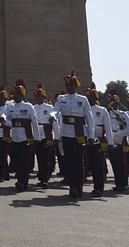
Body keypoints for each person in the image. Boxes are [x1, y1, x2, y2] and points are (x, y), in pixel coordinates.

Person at [52, 70, 94, 199]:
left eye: (71, 85)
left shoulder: (83, 99)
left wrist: (91, 135)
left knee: (78, 161)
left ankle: (76, 187)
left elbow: (89, 118)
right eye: (67, 85)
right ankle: (73, 183)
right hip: (66, 132)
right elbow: (55, 110)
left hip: (80, 132)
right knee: (68, 160)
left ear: (76, 86)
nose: (69, 87)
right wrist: (52, 116)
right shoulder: (61, 99)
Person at [3, 79, 39, 191]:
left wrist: (36, 138)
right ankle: (20, 176)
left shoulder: (28, 107)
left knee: (25, 160)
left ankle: (23, 182)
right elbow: (6, 116)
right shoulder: (10, 107)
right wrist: (3, 118)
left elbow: (34, 122)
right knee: (15, 159)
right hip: (15, 137)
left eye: (17, 94)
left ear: (22, 95)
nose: (15, 96)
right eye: (14, 94)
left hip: (26, 137)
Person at [84, 82, 114, 196]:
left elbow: (108, 128)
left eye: (92, 97)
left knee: (98, 166)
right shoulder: (82, 109)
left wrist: (110, 143)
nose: (90, 99)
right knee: (84, 165)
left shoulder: (102, 110)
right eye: (88, 97)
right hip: (85, 139)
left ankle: (98, 187)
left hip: (98, 141)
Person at [105, 89, 129, 191]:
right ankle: (118, 184)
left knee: (121, 163)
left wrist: (119, 133)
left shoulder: (122, 114)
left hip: (120, 140)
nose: (113, 105)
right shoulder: (107, 113)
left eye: (115, 103)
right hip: (110, 140)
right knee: (114, 163)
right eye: (112, 103)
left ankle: (124, 183)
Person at [32, 83, 59, 189]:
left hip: (47, 135)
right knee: (39, 157)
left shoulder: (50, 108)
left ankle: (45, 179)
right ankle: (41, 176)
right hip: (37, 135)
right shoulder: (33, 108)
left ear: (43, 97)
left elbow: (54, 122)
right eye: (35, 96)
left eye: (38, 96)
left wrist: (56, 136)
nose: (36, 98)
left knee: (45, 158)